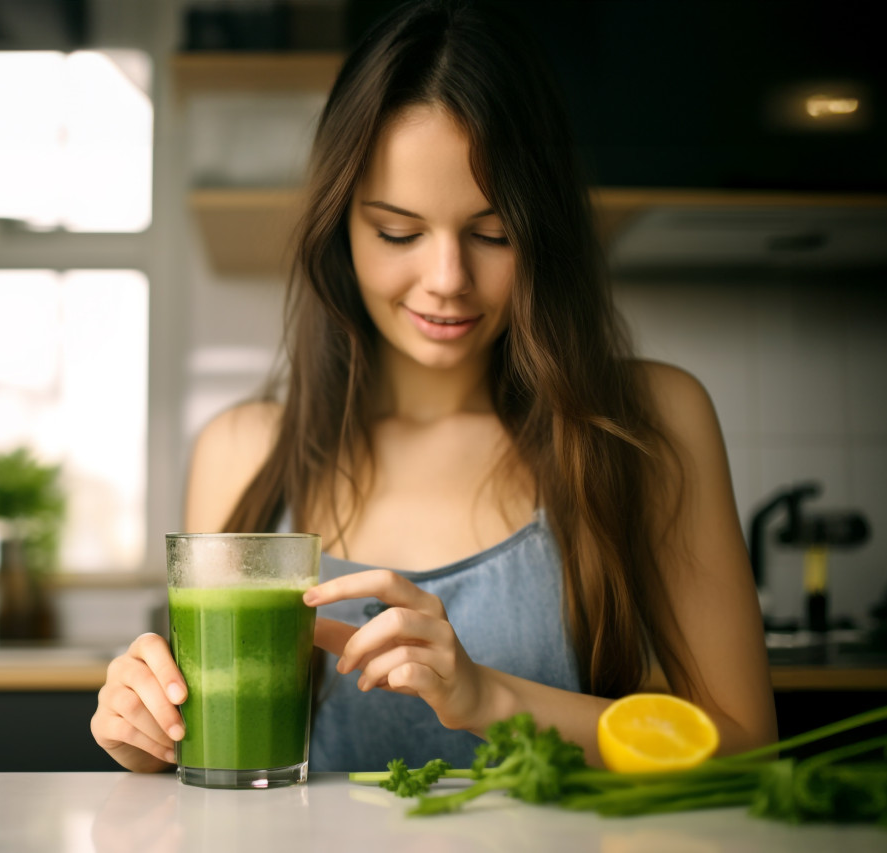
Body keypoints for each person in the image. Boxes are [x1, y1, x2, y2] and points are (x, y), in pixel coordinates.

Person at [91, 0, 777, 773]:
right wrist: (148, 733)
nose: (448, 279)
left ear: (543, 233)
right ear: (340, 229)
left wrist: (489, 698)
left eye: (494, 232)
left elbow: (745, 743)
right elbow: (217, 752)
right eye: (398, 232)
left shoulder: (647, 422)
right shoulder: (241, 449)